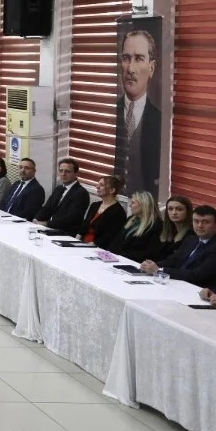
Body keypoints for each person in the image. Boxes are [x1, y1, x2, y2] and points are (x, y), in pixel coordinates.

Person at [142, 205, 216, 287]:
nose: (200, 225)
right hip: (181, 285)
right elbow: (174, 260)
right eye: (196, 221)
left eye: (206, 222)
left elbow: (197, 275)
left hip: (205, 294)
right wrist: (152, 265)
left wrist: (159, 270)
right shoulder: (191, 239)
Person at [116, 27, 162, 198]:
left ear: (151, 68)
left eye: (139, 59)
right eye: (126, 58)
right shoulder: (111, 115)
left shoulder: (159, 120)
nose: (130, 68)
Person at [35, 158, 92, 234]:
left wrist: (46, 224)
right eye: (61, 171)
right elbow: (46, 208)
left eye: (67, 171)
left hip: (66, 233)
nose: (63, 174)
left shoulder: (81, 193)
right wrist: (36, 219)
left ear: (76, 174)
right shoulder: (58, 189)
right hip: (50, 229)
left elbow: (71, 218)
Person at [113, 191, 168, 263]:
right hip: (119, 259)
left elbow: (150, 253)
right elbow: (117, 241)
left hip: (135, 263)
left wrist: (122, 256)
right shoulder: (131, 219)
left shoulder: (157, 226)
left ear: (143, 205)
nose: (130, 205)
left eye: (133, 203)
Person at [81, 175, 128, 247]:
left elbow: (109, 237)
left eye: (102, 185)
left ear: (112, 190)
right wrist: (76, 239)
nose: (97, 187)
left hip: (98, 248)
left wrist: (91, 245)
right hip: (83, 243)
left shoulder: (118, 212)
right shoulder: (95, 205)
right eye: (98, 184)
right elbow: (84, 225)